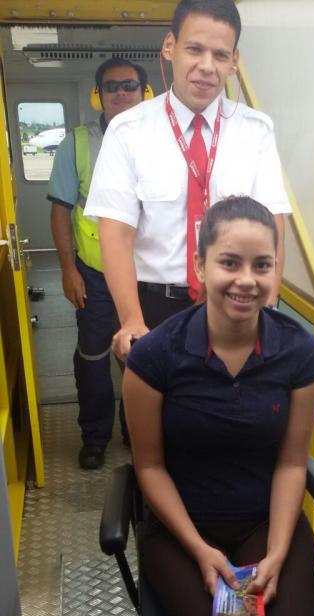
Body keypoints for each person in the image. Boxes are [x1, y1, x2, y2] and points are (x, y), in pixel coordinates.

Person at [123, 196, 314, 616]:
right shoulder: (156, 356)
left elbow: (291, 462)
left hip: (266, 526)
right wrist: (200, 550)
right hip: (182, 534)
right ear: (200, 264)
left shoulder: (301, 353)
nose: (246, 280)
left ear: (275, 269)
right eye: (230, 262)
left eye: (262, 265)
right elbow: (149, 466)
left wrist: (278, 552)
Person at [84, 0, 291, 362]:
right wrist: (132, 319)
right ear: (170, 47)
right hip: (153, 307)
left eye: (220, 54)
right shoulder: (128, 131)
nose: (207, 66)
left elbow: (272, 225)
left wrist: (267, 308)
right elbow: (116, 233)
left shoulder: (256, 130)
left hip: (233, 303)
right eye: (195, 49)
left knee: (229, 398)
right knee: (152, 399)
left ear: (234, 61)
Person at [47, 58, 149, 470]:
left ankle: (138, 433)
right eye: (111, 86)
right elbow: (60, 209)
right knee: (91, 358)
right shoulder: (76, 143)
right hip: (94, 274)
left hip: (147, 277)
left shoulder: (162, 140)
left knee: (142, 359)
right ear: (98, 95)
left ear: (144, 92)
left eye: (129, 85)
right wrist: (68, 269)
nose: (120, 93)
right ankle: (94, 437)